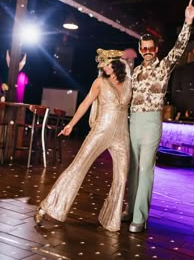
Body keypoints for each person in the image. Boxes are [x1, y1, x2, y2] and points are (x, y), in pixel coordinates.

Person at [34, 48, 132, 232]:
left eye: (106, 63)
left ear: (116, 63)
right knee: (78, 167)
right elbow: (85, 103)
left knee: (122, 176)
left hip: (122, 135)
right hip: (101, 131)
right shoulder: (99, 82)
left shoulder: (128, 82)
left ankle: (110, 219)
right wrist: (71, 124)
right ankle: (47, 207)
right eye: (101, 63)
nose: (103, 66)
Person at [123, 0, 194, 232]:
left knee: (145, 168)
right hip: (133, 121)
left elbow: (179, 49)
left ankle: (140, 216)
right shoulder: (134, 72)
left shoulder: (164, 66)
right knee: (133, 168)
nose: (146, 52)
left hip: (152, 121)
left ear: (156, 49)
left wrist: (187, 22)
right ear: (140, 49)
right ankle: (131, 208)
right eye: (143, 48)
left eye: (150, 48)